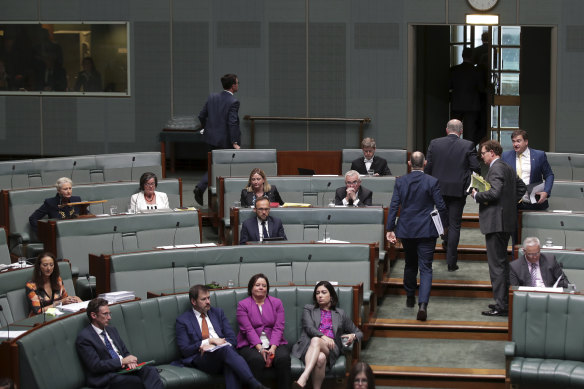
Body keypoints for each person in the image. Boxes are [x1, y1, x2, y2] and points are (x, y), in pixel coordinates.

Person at [386, 152, 448, 321]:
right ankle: (423, 305)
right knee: (426, 268)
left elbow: (393, 206)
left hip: (406, 230)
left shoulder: (400, 181)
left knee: (410, 263)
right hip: (427, 230)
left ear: (409, 163)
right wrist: (443, 227)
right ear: (425, 163)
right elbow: (441, 207)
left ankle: (409, 297)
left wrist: (390, 228)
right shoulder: (432, 181)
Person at [175, 285, 269, 389]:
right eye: (203, 299)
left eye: (208, 298)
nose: (208, 302)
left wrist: (218, 344)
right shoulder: (183, 320)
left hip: (224, 354)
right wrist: (209, 341)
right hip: (202, 358)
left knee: (228, 362)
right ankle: (254, 384)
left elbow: (232, 339)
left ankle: (255, 385)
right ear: (193, 301)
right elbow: (184, 350)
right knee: (227, 353)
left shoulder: (218, 313)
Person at [472, 140, 526, 317]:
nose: (482, 155)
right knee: (501, 264)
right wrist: (508, 203)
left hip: (496, 223)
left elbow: (494, 193)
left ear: (492, 153)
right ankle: (503, 302)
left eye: (484, 152)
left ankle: (502, 305)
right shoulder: (507, 167)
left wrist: (476, 195)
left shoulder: (496, 168)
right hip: (505, 222)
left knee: (497, 266)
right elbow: (521, 187)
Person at [425, 119, 480, 271]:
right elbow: (476, 168)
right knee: (454, 225)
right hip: (458, 191)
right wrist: (469, 183)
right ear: (461, 131)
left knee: (441, 222)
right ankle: (451, 262)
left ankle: (442, 244)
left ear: (446, 130)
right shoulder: (468, 145)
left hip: (438, 189)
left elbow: (428, 167)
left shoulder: (434, 143)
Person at [76, 298, 164, 389]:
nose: (109, 317)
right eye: (105, 314)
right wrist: (121, 361)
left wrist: (130, 361)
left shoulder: (112, 330)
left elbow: (125, 352)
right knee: (138, 381)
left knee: (151, 371)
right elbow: (95, 366)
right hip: (106, 376)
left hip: (123, 370)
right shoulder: (85, 338)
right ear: (94, 315)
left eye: (109, 314)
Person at [291, 281, 363, 389]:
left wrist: (353, 336)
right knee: (320, 358)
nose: (320, 295)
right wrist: (324, 337)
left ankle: (304, 377)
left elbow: (359, 333)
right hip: (308, 347)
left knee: (316, 341)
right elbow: (309, 328)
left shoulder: (340, 313)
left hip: (331, 348)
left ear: (331, 296)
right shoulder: (309, 309)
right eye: (317, 293)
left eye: (324, 292)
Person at [193, 73, 241, 206]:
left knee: (213, 166)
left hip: (209, 139)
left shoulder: (212, 97)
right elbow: (232, 123)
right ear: (233, 86)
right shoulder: (233, 102)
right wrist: (235, 142)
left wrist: (206, 128)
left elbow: (201, 115)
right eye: (237, 83)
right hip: (224, 142)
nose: (238, 85)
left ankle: (208, 193)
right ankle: (202, 188)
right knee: (219, 168)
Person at [236, 274, 291, 388]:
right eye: (257, 285)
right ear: (251, 288)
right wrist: (260, 349)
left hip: (274, 342)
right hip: (250, 344)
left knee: (283, 358)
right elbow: (248, 330)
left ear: (267, 289)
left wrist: (273, 348)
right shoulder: (243, 305)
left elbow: (278, 327)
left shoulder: (277, 303)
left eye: (264, 285)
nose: (261, 287)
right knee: (256, 360)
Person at [501, 129, 554, 211]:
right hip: (513, 202)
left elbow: (549, 175)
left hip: (534, 201)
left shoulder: (539, 155)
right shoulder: (505, 156)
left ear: (526, 142)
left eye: (518, 141)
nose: (515, 144)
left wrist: (546, 192)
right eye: (513, 141)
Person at [25, 252, 82, 316]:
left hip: (57, 315)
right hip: (39, 320)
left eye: (51, 265)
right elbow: (38, 311)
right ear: (39, 266)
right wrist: (59, 303)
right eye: (45, 265)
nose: (49, 268)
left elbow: (65, 298)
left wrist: (74, 299)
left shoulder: (58, 280)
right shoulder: (31, 286)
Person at [449, 47, 485, 146]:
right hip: (472, 105)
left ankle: (453, 150)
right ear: (472, 57)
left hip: (457, 104)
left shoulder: (454, 70)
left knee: (454, 131)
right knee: (469, 133)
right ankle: (467, 152)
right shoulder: (477, 71)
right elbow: (481, 88)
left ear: (462, 56)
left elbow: (449, 86)